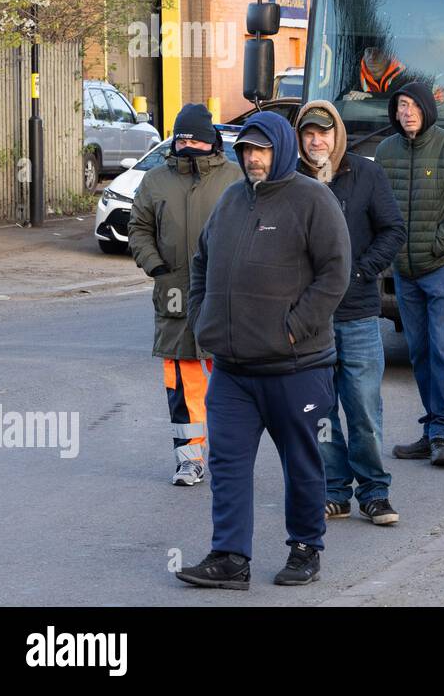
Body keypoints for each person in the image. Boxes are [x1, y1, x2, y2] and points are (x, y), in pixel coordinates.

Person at [177, 111, 351, 590]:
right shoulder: (232, 199)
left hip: (296, 367)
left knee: (301, 461)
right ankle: (231, 557)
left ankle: (305, 548)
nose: (253, 158)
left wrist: (294, 329)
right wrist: (202, 317)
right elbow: (201, 262)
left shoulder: (313, 199)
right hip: (233, 370)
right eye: (247, 150)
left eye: (262, 149)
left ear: (281, 149)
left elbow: (335, 273)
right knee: (228, 463)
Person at [295, 102, 407, 527]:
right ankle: (334, 492)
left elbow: (393, 229)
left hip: (358, 314)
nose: (315, 140)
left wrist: (361, 270)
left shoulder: (365, 173)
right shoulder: (292, 180)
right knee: (318, 411)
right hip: (310, 320)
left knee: (362, 407)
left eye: (323, 132)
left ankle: (375, 493)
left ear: (336, 134)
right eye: (308, 133)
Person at [128, 104, 239, 486]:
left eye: (193, 137)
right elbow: (138, 227)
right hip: (173, 296)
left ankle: (228, 458)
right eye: (180, 137)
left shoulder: (235, 179)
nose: (186, 143)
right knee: (182, 383)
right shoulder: (156, 180)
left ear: (210, 141)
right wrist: (156, 267)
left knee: (229, 381)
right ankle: (189, 460)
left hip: (224, 295)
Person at [377, 83, 444, 468]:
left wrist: (439, 242)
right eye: (401, 106)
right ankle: (431, 428)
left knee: (443, 351)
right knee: (419, 353)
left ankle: (443, 434)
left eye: (413, 106)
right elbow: (378, 207)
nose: (406, 112)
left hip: (440, 267)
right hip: (404, 271)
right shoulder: (386, 152)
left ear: (426, 109)